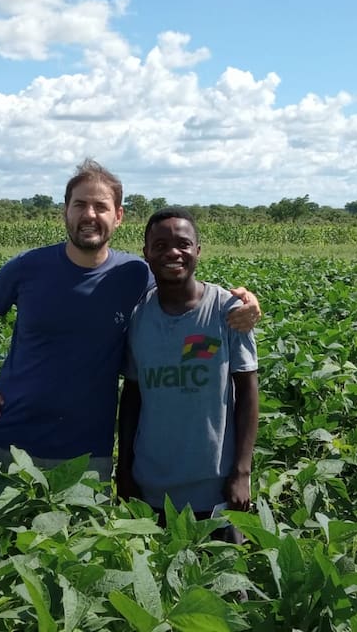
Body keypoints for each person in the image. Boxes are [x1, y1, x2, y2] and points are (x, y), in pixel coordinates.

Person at [0, 160, 260, 482]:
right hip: (9, 442)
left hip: (87, 453)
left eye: (100, 207)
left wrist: (245, 302)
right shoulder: (27, 267)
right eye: (80, 205)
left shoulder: (135, 275)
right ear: (66, 212)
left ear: (117, 216)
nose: (89, 215)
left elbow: (187, 290)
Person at [116, 207, 258, 544]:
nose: (172, 253)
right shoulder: (138, 318)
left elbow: (248, 395)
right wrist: (124, 469)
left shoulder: (228, 311)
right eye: (160, 245)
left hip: (214, 486)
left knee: (222, 587)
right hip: (151, 487)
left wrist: (242, 472)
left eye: (183, 243)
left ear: (197, 250)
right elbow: (132, 397)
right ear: (146, 253)